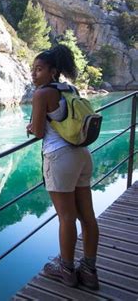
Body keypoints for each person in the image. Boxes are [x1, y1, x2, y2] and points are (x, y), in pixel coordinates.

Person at [26, 44, 99, 290]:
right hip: (81, 155)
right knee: (87, 216)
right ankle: (89, 271)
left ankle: (66, 270)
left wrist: (31, 126)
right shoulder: (70, 88)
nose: (34, 74)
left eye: (39, 69)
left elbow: (37, 132)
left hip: (59, 157)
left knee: (66, 217)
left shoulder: (41, 94)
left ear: (53, 70)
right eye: (32, 69)